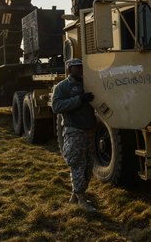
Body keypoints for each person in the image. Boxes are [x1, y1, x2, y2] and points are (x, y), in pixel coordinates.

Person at [51, 58, 97, 213]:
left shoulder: (88, 83)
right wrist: (79, 99)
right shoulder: (62, 87)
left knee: (89, 166)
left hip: (89, 130)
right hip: (74, 130)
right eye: (77, 67)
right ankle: (82, 199)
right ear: (69, 69)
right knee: (77, 164)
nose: (80, 69)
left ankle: (76, 195)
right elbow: (56, 106)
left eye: (81, 67)